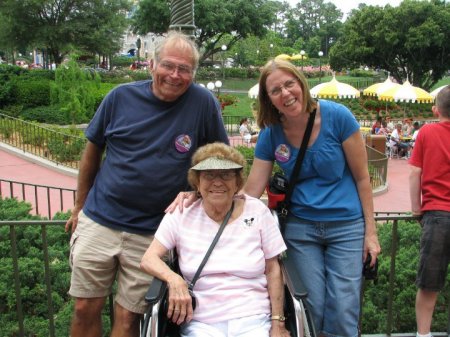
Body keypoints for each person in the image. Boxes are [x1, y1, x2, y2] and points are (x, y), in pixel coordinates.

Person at [169, 59, 381, 337]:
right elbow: (252, 189)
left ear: (301, 83)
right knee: (310, 305)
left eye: (289, 84)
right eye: (276, 90)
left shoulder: (338, 117)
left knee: (343, 307)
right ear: (269, 98)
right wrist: (201, 194)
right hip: (301, 227)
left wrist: (371, 232)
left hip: (346, 225)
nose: (286, 93)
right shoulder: (271, 133)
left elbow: (363, 178)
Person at [65, 31, 229, 337]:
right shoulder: (119, 98)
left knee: (129, 319)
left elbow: (220, 160)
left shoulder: (203, 103)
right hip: (100, 220)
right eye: (168, 65)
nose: (175, 75)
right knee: (84, 308)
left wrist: (195, 192)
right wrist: (79, 206)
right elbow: (92, 151)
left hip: (154, 233)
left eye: (185, 70)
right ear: (151, 64)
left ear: (193, 74)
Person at [141, 143, 290, 337]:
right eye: (209, 174)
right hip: (201, 322)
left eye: (226, 174)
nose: (217, 182)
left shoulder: (257, 211)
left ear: (237, 182)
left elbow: (273, 268)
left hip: (253, 317)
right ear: (197, 183)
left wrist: (277, 322)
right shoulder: (181, 213)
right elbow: (148, 259)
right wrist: (173, 279)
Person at [409, 85, 450, 337]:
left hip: (436, 214)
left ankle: (423, 334)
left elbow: (415, 173)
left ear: (436, 110)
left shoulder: (427, 132)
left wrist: (417, 210)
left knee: (429, 284)